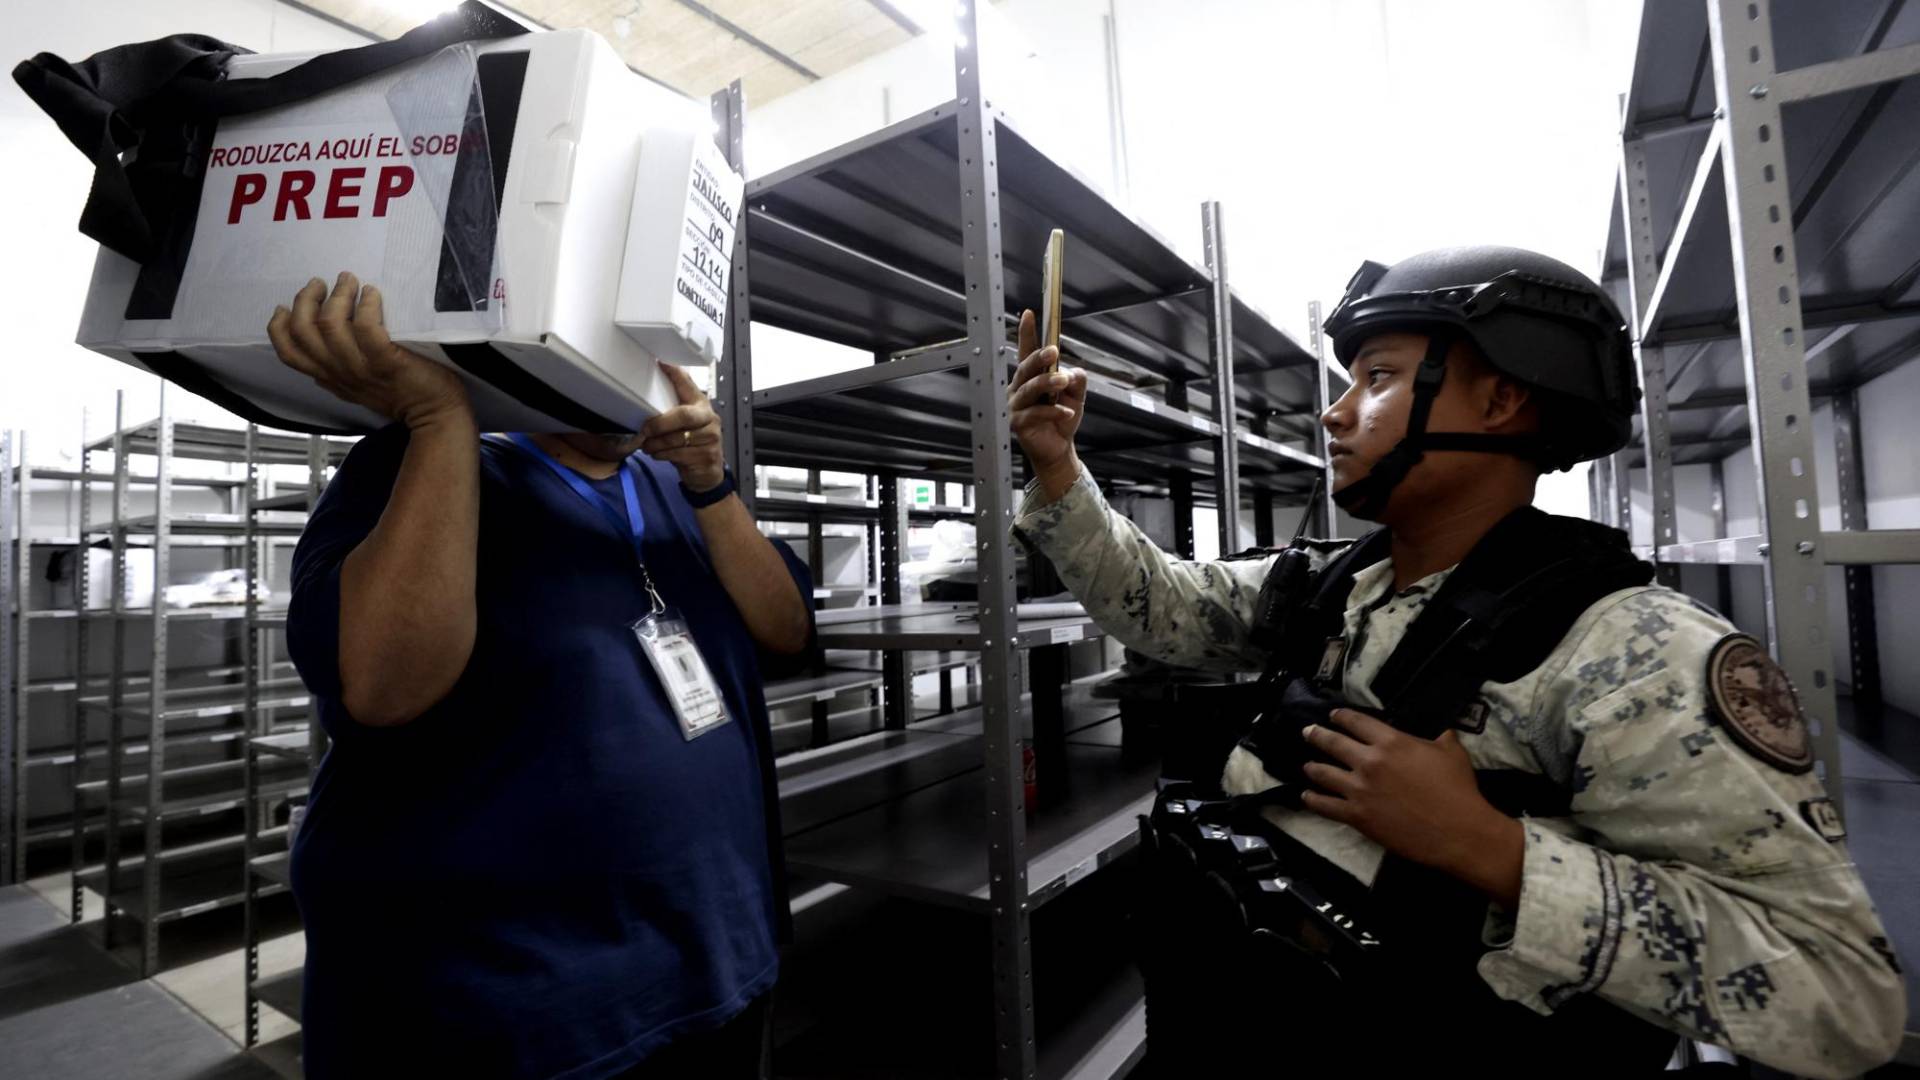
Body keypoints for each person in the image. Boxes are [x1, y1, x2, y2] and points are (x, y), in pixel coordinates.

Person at [1005, 247, 1906, 1076]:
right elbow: (1160, 604)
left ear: (1502, 398)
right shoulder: (1330, 586)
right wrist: (1058, 468)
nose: (1333, 410)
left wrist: (1494, 850)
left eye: (1378, 378)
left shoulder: (1637, 650)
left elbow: (1841, 999)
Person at [267, 272, 816, 1079]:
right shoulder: (427, 458)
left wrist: (710, 481)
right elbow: (383, 687)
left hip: (713, 969)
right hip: (508, 1017)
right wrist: (436, 419)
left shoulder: (678, 489)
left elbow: (787, 630)